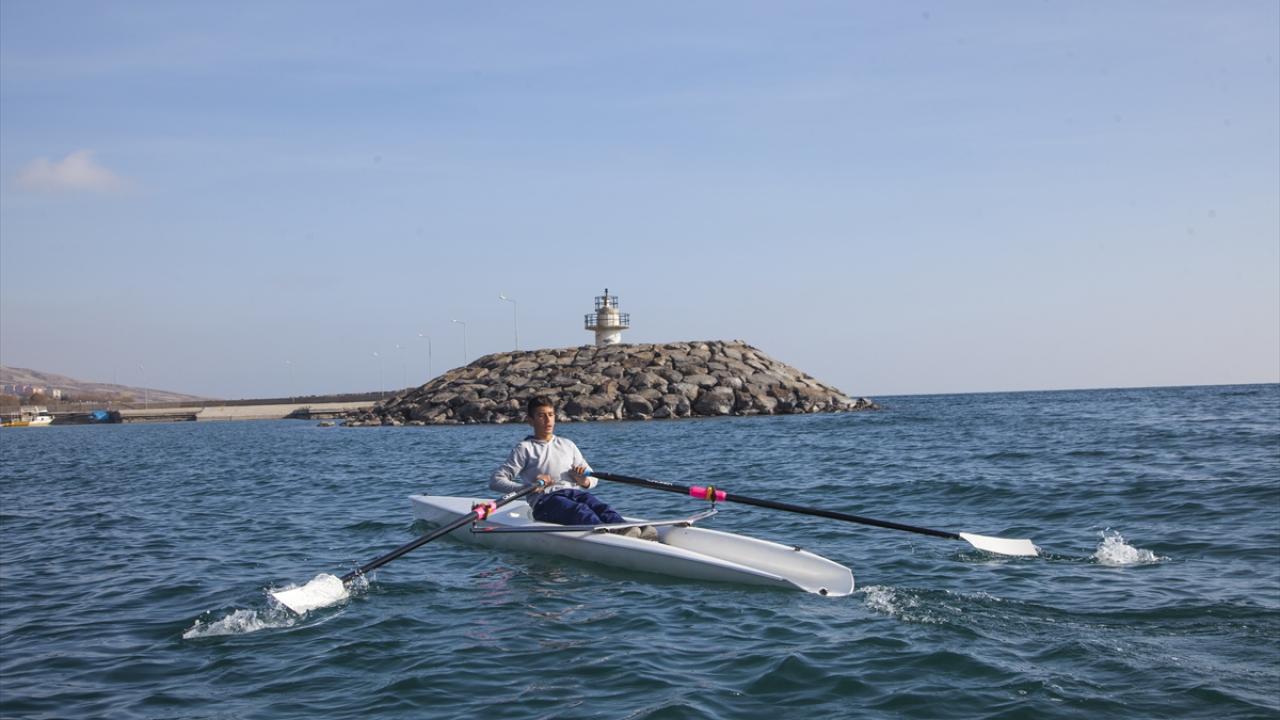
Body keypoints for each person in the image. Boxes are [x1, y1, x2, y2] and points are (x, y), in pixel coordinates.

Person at [490, 395, 657, 540]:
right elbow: (496, 481)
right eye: (541, 416)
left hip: (574, 494)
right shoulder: (524, 448)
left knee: (599, 506)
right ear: (530, 421)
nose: (548, 420)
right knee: (580, 510)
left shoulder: (567, 445)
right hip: (545, 502)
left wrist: (583, 481)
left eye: (551, 415)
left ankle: (625, 529)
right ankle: (610, 537)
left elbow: (593, 479)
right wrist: (528, 488)